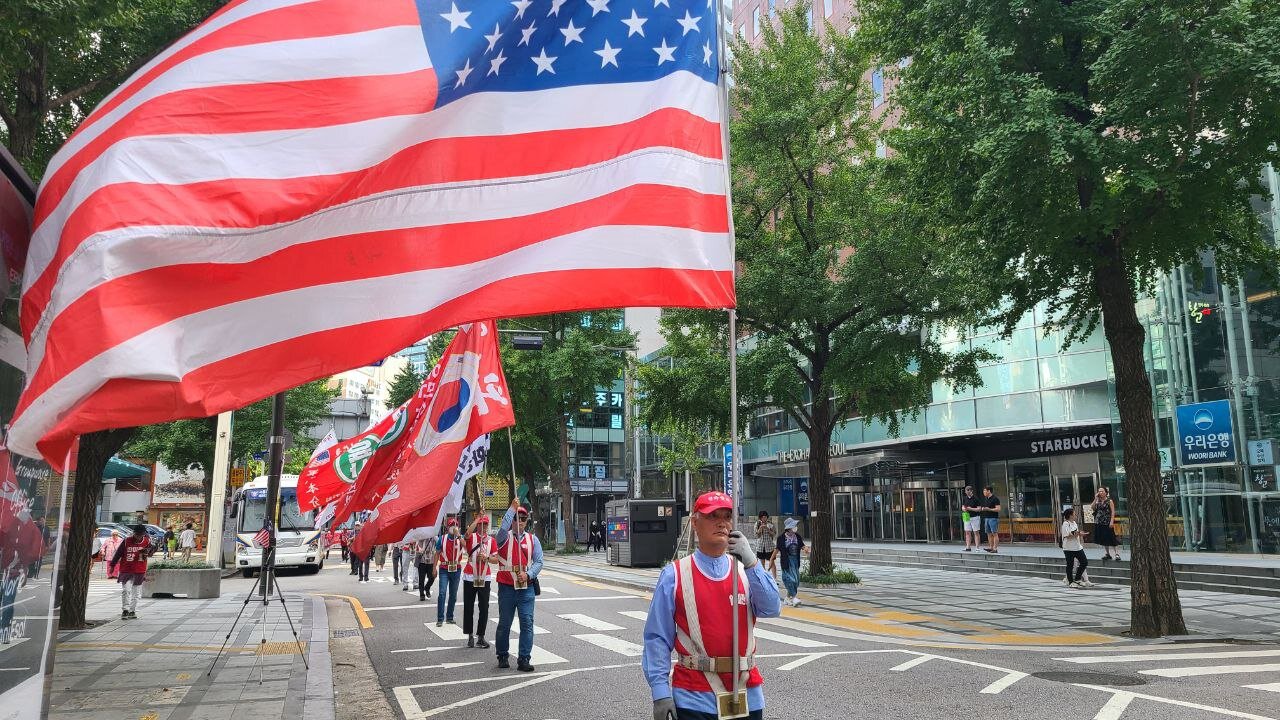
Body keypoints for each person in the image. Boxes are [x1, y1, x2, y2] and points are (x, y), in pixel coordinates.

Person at [644, 491, 783, 720]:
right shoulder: (675, 575)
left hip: (746, 694)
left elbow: (772, 608)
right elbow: (657, 637)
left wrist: (751, 560)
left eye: (727, 516)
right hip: (693, 696)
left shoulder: (746, 570)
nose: (721, 523)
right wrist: (660, 692)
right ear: (695, 523)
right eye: (712, 516)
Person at [494, 499, 543, 672]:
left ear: (526, 521)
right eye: (516, 518)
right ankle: (502, 654)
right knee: (505, 623)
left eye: (523, 518)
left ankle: (524, 658)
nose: (519, 521)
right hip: (507, 586)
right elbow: (502, 528)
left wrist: (528, 574)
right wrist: (511, 510)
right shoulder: (503, 537)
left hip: (526, 587)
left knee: (527, 623)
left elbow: (539, 562)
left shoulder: (533, 540)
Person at [462, 515, 497, 649]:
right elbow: (467, 533)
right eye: (481, 524)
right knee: (468, 606)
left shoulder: (491, 541)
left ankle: (481, 636)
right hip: (470, 575)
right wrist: (476, 518)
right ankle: (470, 634)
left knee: (484, 607)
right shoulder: (472, 537)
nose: (483, 527)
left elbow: (496, 560)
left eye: (485, 524)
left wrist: (487, 558)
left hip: (484, 576)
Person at [112, 525, 155, 619]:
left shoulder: (147, 541)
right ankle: (125, 610)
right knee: (126, 590)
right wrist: (112, 565)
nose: (138, 537)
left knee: (136, 593)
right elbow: (118, 553)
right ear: (133, 533)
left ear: (144, 534)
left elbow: (151, 553)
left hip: (140, 570)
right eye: (137, 534)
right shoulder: (127, 541)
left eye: (141, 535)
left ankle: (132, 610)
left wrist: (148, 552)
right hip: (126, 569)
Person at [769, 518, 808, 607]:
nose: (795, 527)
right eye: (794, 526)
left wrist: (805, 549)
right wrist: (771, 560)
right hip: (786, 562)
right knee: (790, 580)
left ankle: (787, 598)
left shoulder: (797, 536)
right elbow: (777, 549)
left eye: (795, 526)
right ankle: (794, 597)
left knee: (796, 581)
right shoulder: (781, 538)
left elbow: (802, 545)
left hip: (795, 561)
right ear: (789, 528)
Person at [435, 518, 463, 626]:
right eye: (452, 525)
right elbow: (437, 553)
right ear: (447, 528)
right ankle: (440, 618)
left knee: (453, 595)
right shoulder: (442, 539)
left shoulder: (460, 539)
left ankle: (450, 617)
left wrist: (459, 535)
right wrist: (434, 568)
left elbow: (466, 546)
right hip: (444, 569)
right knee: (442, 593)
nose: (454, 527)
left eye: (456, 525)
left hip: (456, 569)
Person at [1060, 507, 1094, 588]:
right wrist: (1077, 533)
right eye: (1074, 514)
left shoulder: (1074, 523)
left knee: (1084, 562)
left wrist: (1080, 534)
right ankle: (1070, 581)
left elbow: (1075, 533)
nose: (1075, 515)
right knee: (1070, 565)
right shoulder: (1065, 524)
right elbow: (1068, 535)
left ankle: (1078, 578)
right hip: (1069, 548)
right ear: (1070, 515)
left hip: (1077, 547)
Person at [1092, 487, 1121, 561]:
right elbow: (1092, 507)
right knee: (1104, 539)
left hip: (1107, 522)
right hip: (1099, 522)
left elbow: (1113, 512)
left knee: (1112, 537)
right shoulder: (1098, 501)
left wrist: (1112, 521)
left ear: (1105, 492)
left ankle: (1117, 554)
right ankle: (1108, 554)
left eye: (1102, 491)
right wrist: (1095, 499)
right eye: (1099, 491)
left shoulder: (1109, 501)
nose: (1100, 493)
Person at [754, 511, 777, 579]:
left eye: (765, 517)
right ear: (760, 518)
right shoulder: (757, 524)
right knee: (761, 563)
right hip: (760, 546)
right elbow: (756, 535)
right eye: (762, 517)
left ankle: (774, 578)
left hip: (769, 546)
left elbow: (774, 534)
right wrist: (760, 529)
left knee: (772, 562)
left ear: (767, 517)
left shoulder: (770, 524)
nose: (764, 518)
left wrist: (767, 529)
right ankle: (764, 578)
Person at [960, 486, 982, 551]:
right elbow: (963, 506)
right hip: (967, 516)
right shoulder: (965, 498)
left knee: (976, 532)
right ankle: (968, 547)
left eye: (968, 490)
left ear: (971, 491)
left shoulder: (976, 498)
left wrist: (970, 509)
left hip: (975, 517)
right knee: (967, 532)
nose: (967, 492)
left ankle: (977, 547)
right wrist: (964, 509)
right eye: (966, 490)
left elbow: (979, 509)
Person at [980, 487, 1002, 553]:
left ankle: (995, 549)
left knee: (994, 533)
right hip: (987, 518)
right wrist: (983, 509)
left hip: (993, 518)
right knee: (988, 534)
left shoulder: (995, 499)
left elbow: (998, 509)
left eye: (985, 491)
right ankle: (991, 547)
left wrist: (989, 509)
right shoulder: (986, 499)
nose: (984, 492)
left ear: (989, 491)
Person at [416, 536, 437, 601]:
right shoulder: (420, 537)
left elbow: (439, 543)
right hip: (422, 561)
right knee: (421, 579)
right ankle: (422, 594)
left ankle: (427, 587)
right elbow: (418, 547)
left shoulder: (434, 537)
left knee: (432, 577)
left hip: (431, 561)